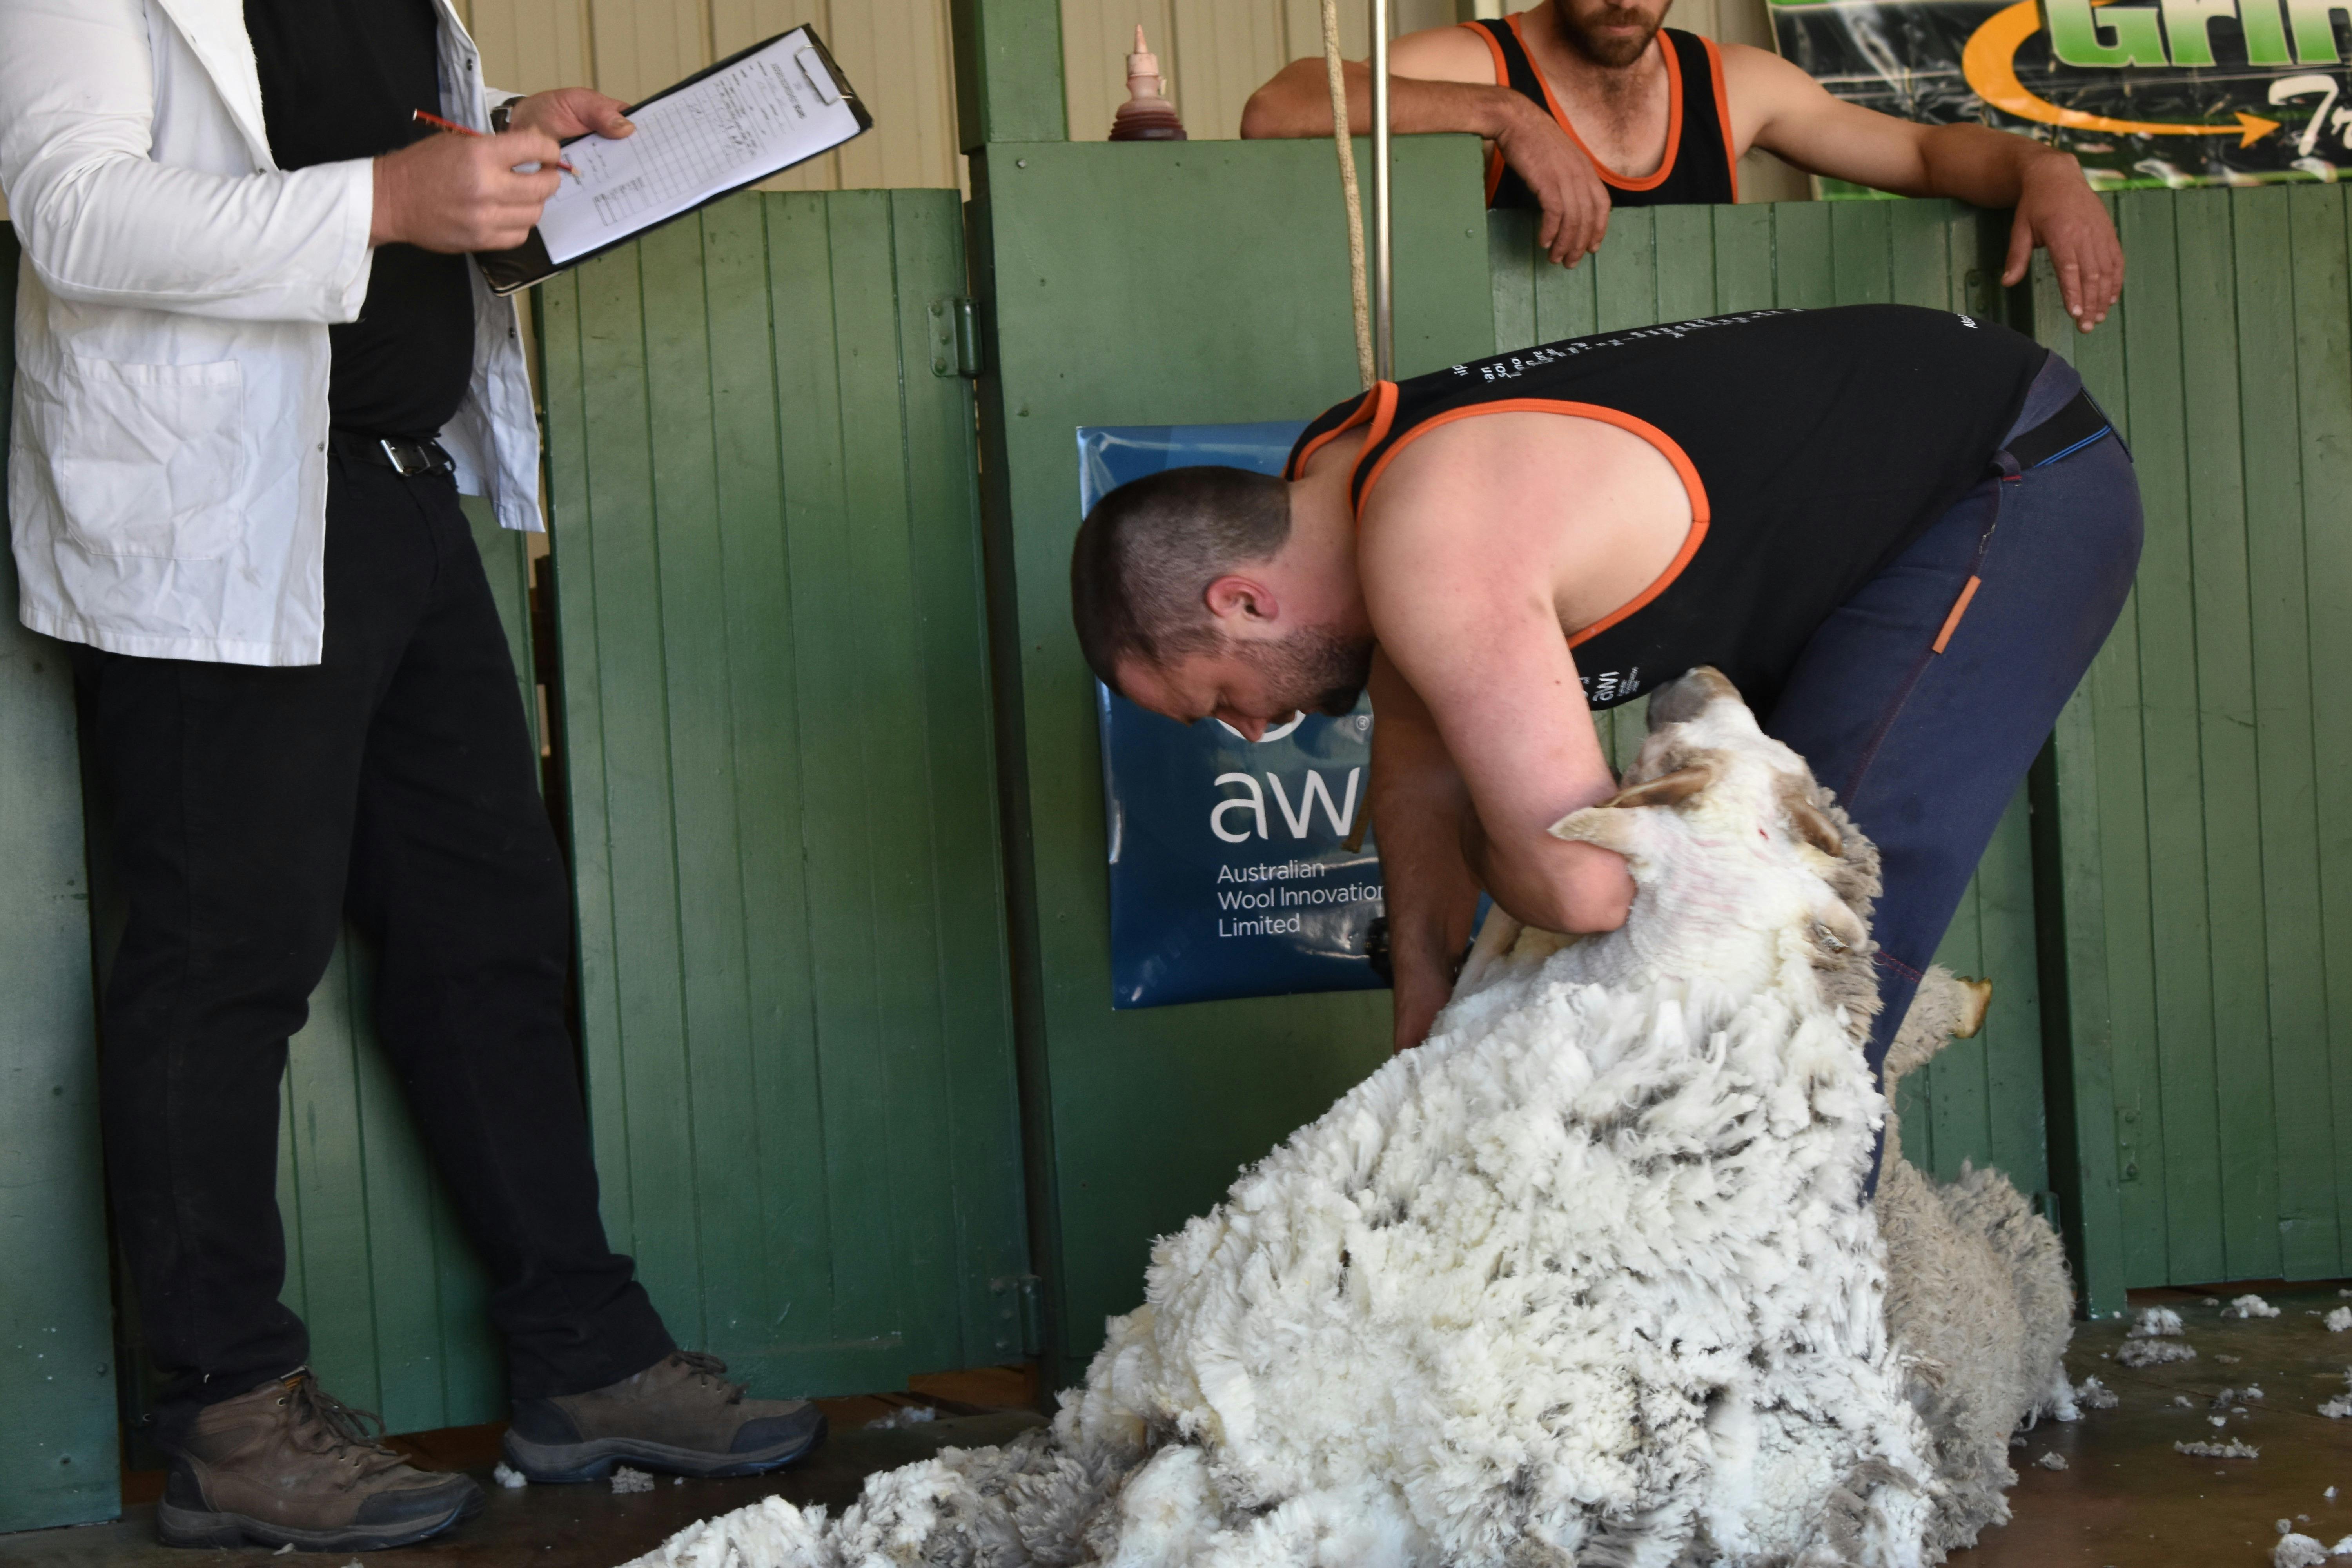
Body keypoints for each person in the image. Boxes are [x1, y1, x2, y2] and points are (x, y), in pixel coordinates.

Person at [0, 0, 822, 1552]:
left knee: (490, 941)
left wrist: (505, 148)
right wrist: (388, 200)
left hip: (399, 489)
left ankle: (587, 1356)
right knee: (223, 967)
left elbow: (327, 139)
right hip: (220, 513)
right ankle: (231, 1416)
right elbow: (72, 205)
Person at [1069, 303, 2140, 1090]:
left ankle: (1772, 1368)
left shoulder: (1435, 544)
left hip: (2005, 478)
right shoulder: (1340, 475)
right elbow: (1414, 759)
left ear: (1244, 601)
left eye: (1220, 701)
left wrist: (1503, 831)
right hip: (1879, 506)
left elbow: (1587, 889)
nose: (1254, 731)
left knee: (1795, 950)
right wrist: (1421, 1044)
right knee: (1750, 947)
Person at [1240, 0, 2124, 332]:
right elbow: (1278, 108)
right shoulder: (1482, 62)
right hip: (1524, 420)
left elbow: (1924, 151)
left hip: (1691, 421)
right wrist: (1505, 116)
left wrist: (2043, 170)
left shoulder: (1735, 83)